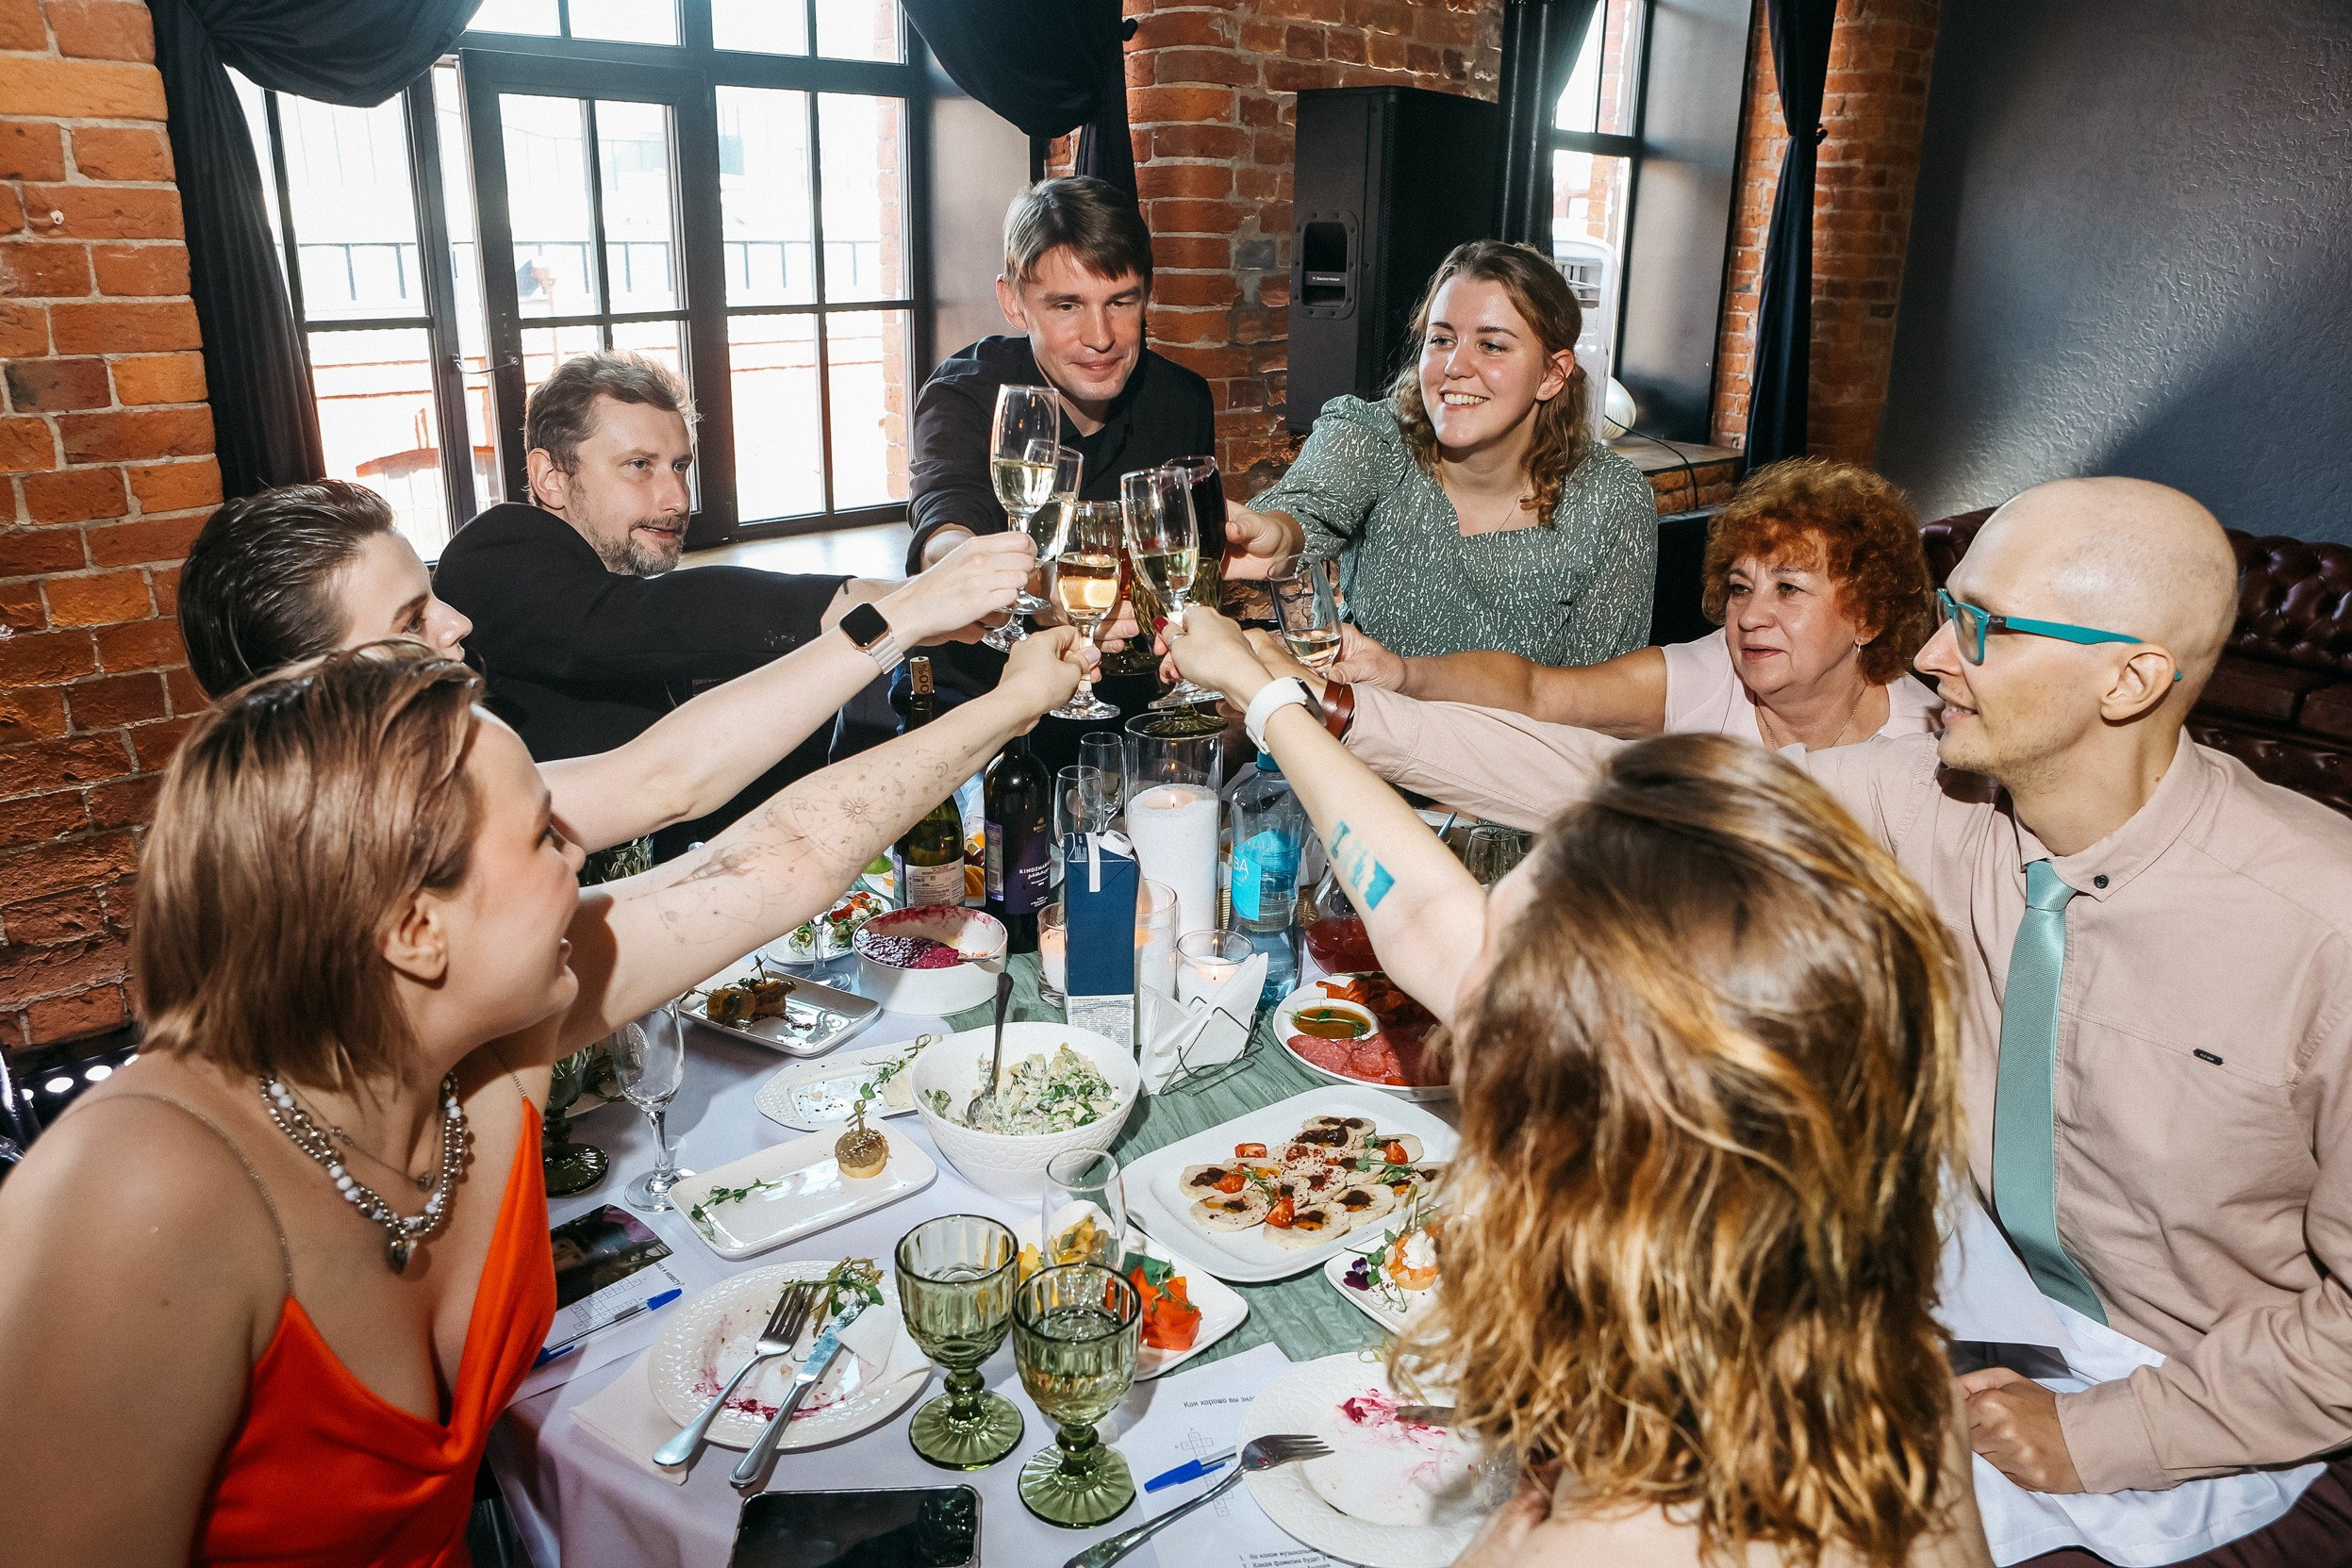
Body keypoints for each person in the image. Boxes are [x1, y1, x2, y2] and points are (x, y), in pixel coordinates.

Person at [1170, 476, 2352, 1565]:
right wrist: (1314, 703)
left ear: (2129, 681)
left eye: (1984, 627)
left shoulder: (2323, 920)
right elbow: (1606, 792)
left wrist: (2105, 1433)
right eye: (1949, 610)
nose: (1932, 653)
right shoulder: (1928, 800)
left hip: (2203, 1404)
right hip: (1922, 1307)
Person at [0, 628, 1088, 1565]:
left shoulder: (486, 1042)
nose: (580, 851)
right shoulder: (133, 1195)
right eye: (541, 833)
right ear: (415, 930)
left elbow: (776, 862)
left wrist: (1012, 703)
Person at [177, 478, 1031, 860]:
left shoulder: (427, 789)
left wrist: (985, 680)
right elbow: (669, 773)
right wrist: (903, 611)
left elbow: (670, 772)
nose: (458, 622)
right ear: (308, 682)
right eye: (411, 620)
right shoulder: (507, 551)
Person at [432, 350, 1021, 861]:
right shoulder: (495, 555)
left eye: (680, 466)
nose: (676, 498)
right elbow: (634, 623)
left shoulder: (627, 592)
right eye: (639, 466)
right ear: (549, 477)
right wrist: (898, 601)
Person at [902, 175, 1289, 766]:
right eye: (1067, 306)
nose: (1101, 337)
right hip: (982, 722)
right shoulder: (966, 394)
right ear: (1013, 301)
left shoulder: (1181, 399)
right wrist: (1033, 588)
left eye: (1121, 302)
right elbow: (943, 536)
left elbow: (1187, 584)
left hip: (1135, 718)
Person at [1229, 238, 1660, 668]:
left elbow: (1599, 694)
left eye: (1491, 346)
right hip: (1369, 712)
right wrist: (1278, 536)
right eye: (1441, 339)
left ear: (1552, 375)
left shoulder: (1610, 498)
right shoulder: (1375, 437)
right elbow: (1308, 506)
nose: (1454, 366)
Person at [1326, 456, 1942, 750]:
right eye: (1739, 587)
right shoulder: (1710, 679)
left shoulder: (1930, 743)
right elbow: (1536, 692)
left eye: (1789, 588)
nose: (1751, 616)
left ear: (1868, 615)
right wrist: (1401, 673)